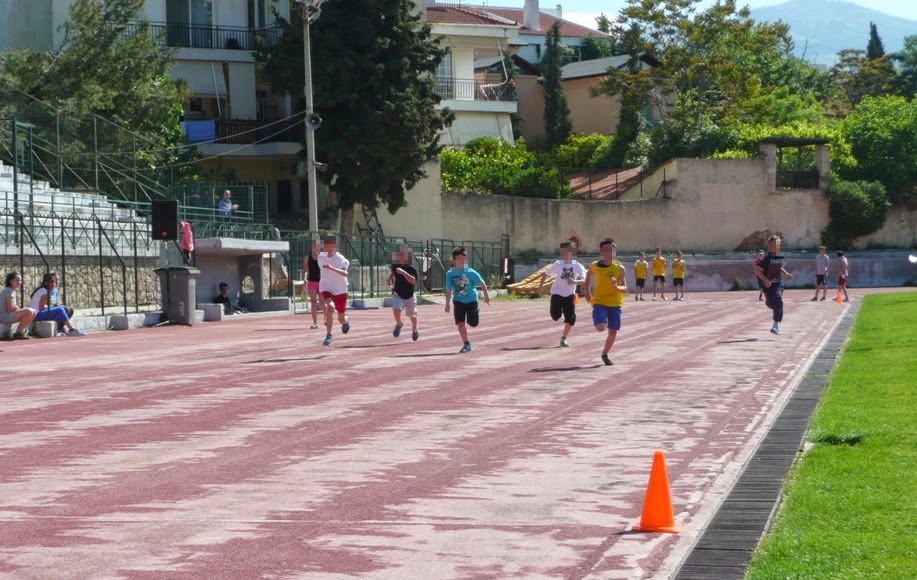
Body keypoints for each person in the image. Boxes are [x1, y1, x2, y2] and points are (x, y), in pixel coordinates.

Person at [584, 238, 627, 366]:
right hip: (600, 302)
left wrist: (616, 288)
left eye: (612, 249)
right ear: (602, 251)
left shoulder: (620, 268)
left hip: (615, 303)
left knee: (613, 331)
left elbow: (625, 288)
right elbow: (588, 276)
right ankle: (600, 317)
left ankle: (605, 354)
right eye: (607, 249)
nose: (610, 252)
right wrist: (586, 291)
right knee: (600, 328)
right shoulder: (595, 265)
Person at [536, 240, 587, 347]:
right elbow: (545, 275)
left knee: (571, 318)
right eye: (563, 252)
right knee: (556, 316)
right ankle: (555, 311)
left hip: (570, 294)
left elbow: (586, 280)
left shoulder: (577, 266)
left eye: (567, 252)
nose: (565, 255)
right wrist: (540, 287)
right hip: (557, 293)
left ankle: (564, 338)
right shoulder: (558, 264)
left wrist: (575, 282)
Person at [445, 246, 490, 353]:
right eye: (459, 259)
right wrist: (447, 304)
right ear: (454, 259)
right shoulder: (450, 274)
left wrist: (486, 296)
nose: (462, 261)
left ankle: (475, 313)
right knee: (460, 324)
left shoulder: (470, 272)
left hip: (471, 301)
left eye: (463, 259)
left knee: (473, 323)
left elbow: (481, 282)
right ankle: (466, 343)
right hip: (458, 301)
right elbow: (448, 289)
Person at [754, 235, 794, 335]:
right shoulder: (767, 258)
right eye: (774, 244)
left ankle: (775, 325)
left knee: (778, 299)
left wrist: (787, 273)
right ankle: (776, 307)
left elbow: (779, 267)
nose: (776, 246)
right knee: (770, 303)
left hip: (778, 283)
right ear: (770, 245)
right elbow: (756, 269)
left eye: (778, 244)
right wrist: (765, 279)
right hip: (768, 285)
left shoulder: (779, 256)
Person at [318, 235, 351, 346]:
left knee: (341, 319)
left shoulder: (341, 259)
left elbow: (345, 273)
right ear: (324, 246)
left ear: (336, 246)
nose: (330, 249)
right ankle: (329, 335)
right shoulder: (321, 258)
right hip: (327, 288)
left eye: (332, 246)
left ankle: (346, 320)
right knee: (330, 308)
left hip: (341, 290)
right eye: (327, 246)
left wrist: (331, 268)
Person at [388, 245, 420, 342]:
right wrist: (389, 280)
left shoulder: (411, 269)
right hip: (398, 293)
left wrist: (403, 273)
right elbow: (394, 272)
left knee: (412, 315)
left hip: (410, 295)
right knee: (395, 308)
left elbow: (412, 281)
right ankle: (399, 323)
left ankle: (414, 328)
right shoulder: (395, 266)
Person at [1, 272, 36, 340]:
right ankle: (17, 333)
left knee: (33, 312)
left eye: (20, 280)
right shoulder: (8, 291)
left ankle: (19, 332)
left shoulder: (12, 291)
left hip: (7, 315)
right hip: (4, 316)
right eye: (17, 280)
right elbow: (10, 309)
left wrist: (18, 309)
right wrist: (18, 309)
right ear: (11, 281)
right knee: (29, 311)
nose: (19, 282)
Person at [303, 239, 323, 329]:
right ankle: (315, 322)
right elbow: (304, 270)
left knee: (322, 302)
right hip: (311, 282)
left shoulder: (323, 258)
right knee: (313, 302)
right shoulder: (307, 258)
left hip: (322, 282)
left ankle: (327, 318)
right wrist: (304, 279)